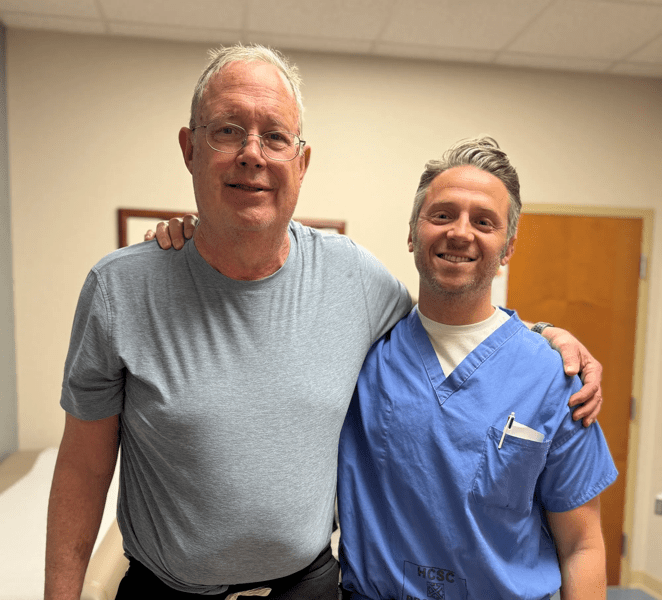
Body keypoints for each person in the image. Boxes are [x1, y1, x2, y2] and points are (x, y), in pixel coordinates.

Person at [46, 43, 602, 600]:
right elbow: (81, 471)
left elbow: (457, 324)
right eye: (228, 131)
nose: (252, 153)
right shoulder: (122, 288)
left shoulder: (354, 280)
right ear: (190, 149)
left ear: (301, 161)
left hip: (305, 588)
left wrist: (543, 339)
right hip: (168, 590)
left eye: (275, 136)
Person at [336, 137, 617, 600]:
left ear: (507, 248)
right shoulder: (362, 355)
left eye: (484, 222)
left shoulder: (554, 377)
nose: (460, 233)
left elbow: (581, 545)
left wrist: (543, 332)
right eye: (442, 215)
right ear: (412, 233)